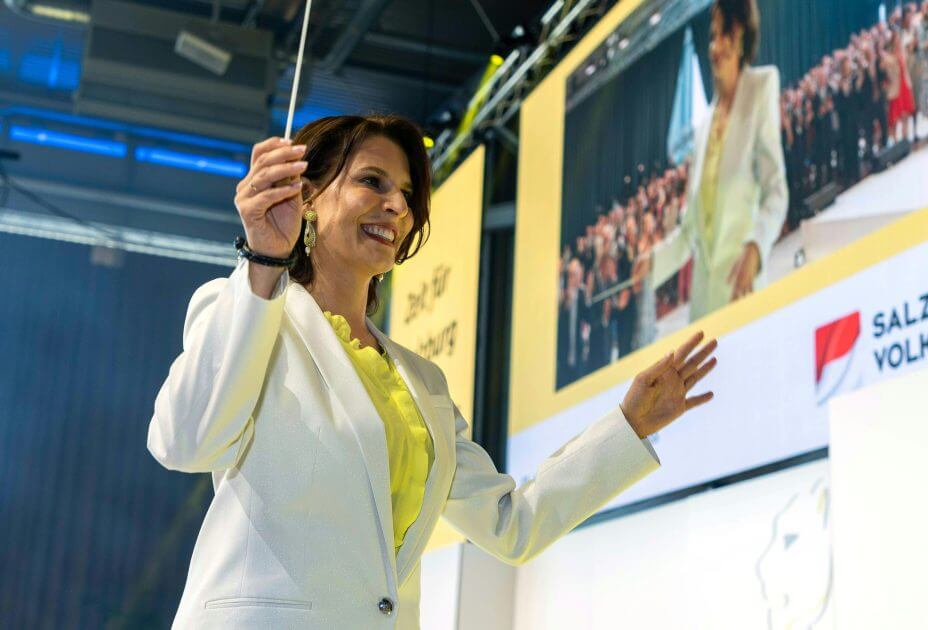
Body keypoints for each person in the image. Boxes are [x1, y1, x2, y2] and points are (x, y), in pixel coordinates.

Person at [147, 115, 718, 629]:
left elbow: (511, 525)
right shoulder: (246, 312)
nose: (397, 206)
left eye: (407, 194)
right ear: (308, 195)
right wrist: (263, 262)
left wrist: (629, 426)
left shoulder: (420, 383)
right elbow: (184, 443)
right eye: (373, 182)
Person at [637, 0, 787, 321]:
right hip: (703, 311)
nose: (715, 47)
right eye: (712, 36)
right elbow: (690, 231)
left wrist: (756, 247)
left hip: (742, 297)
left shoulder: (761, 87)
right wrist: (654, 262)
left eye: (725, 35)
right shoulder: (703, 126)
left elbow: (776, 192)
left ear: (742, 36)